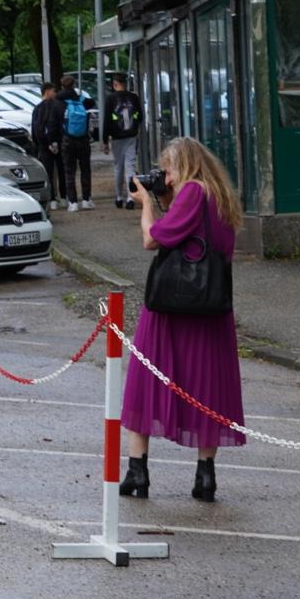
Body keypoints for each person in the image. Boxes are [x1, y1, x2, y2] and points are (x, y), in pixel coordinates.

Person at [121, 137, 245, 503]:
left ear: (184, 165)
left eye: (169, 169)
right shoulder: (220, 195)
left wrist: (146, 206)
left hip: (175, 307)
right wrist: (163, 200)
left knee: (146, 378)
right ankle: (205, 477)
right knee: (208, 386)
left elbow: (153, 239)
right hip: (211, 308)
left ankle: (137, 470)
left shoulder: (193, 191)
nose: (167, 177)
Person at [101, 74, 143, 208]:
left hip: (117, 138)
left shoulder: (111, 99)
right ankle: (131, 198)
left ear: (114, 84)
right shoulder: (134, 97)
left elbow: (107, 120)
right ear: (125, 83)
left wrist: (105, 140)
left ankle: (119, 197)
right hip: (131, 136)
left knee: (118, 167)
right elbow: (140, 116)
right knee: (130, 167)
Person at [58, 74, 93, 211]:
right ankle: (86, 199)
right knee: (85, 169)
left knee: (69, 171)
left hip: (67, 139)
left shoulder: (58, 101)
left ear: (62, 85)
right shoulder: (81, 98)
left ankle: (72, 202)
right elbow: (92, 104)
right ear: (73, 85)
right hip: (83, 139)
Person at [29, 82, 66, 210]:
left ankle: (51, 199)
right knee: (62, 170)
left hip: (44, 145)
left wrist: (39, 144)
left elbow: (35, 128)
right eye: (53, 91)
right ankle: (64, 197)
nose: (55, 93)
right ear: (47, 91)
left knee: (48, 172)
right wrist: (56, 142)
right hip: (59, 143)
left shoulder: (37, 108)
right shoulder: (58, 106)